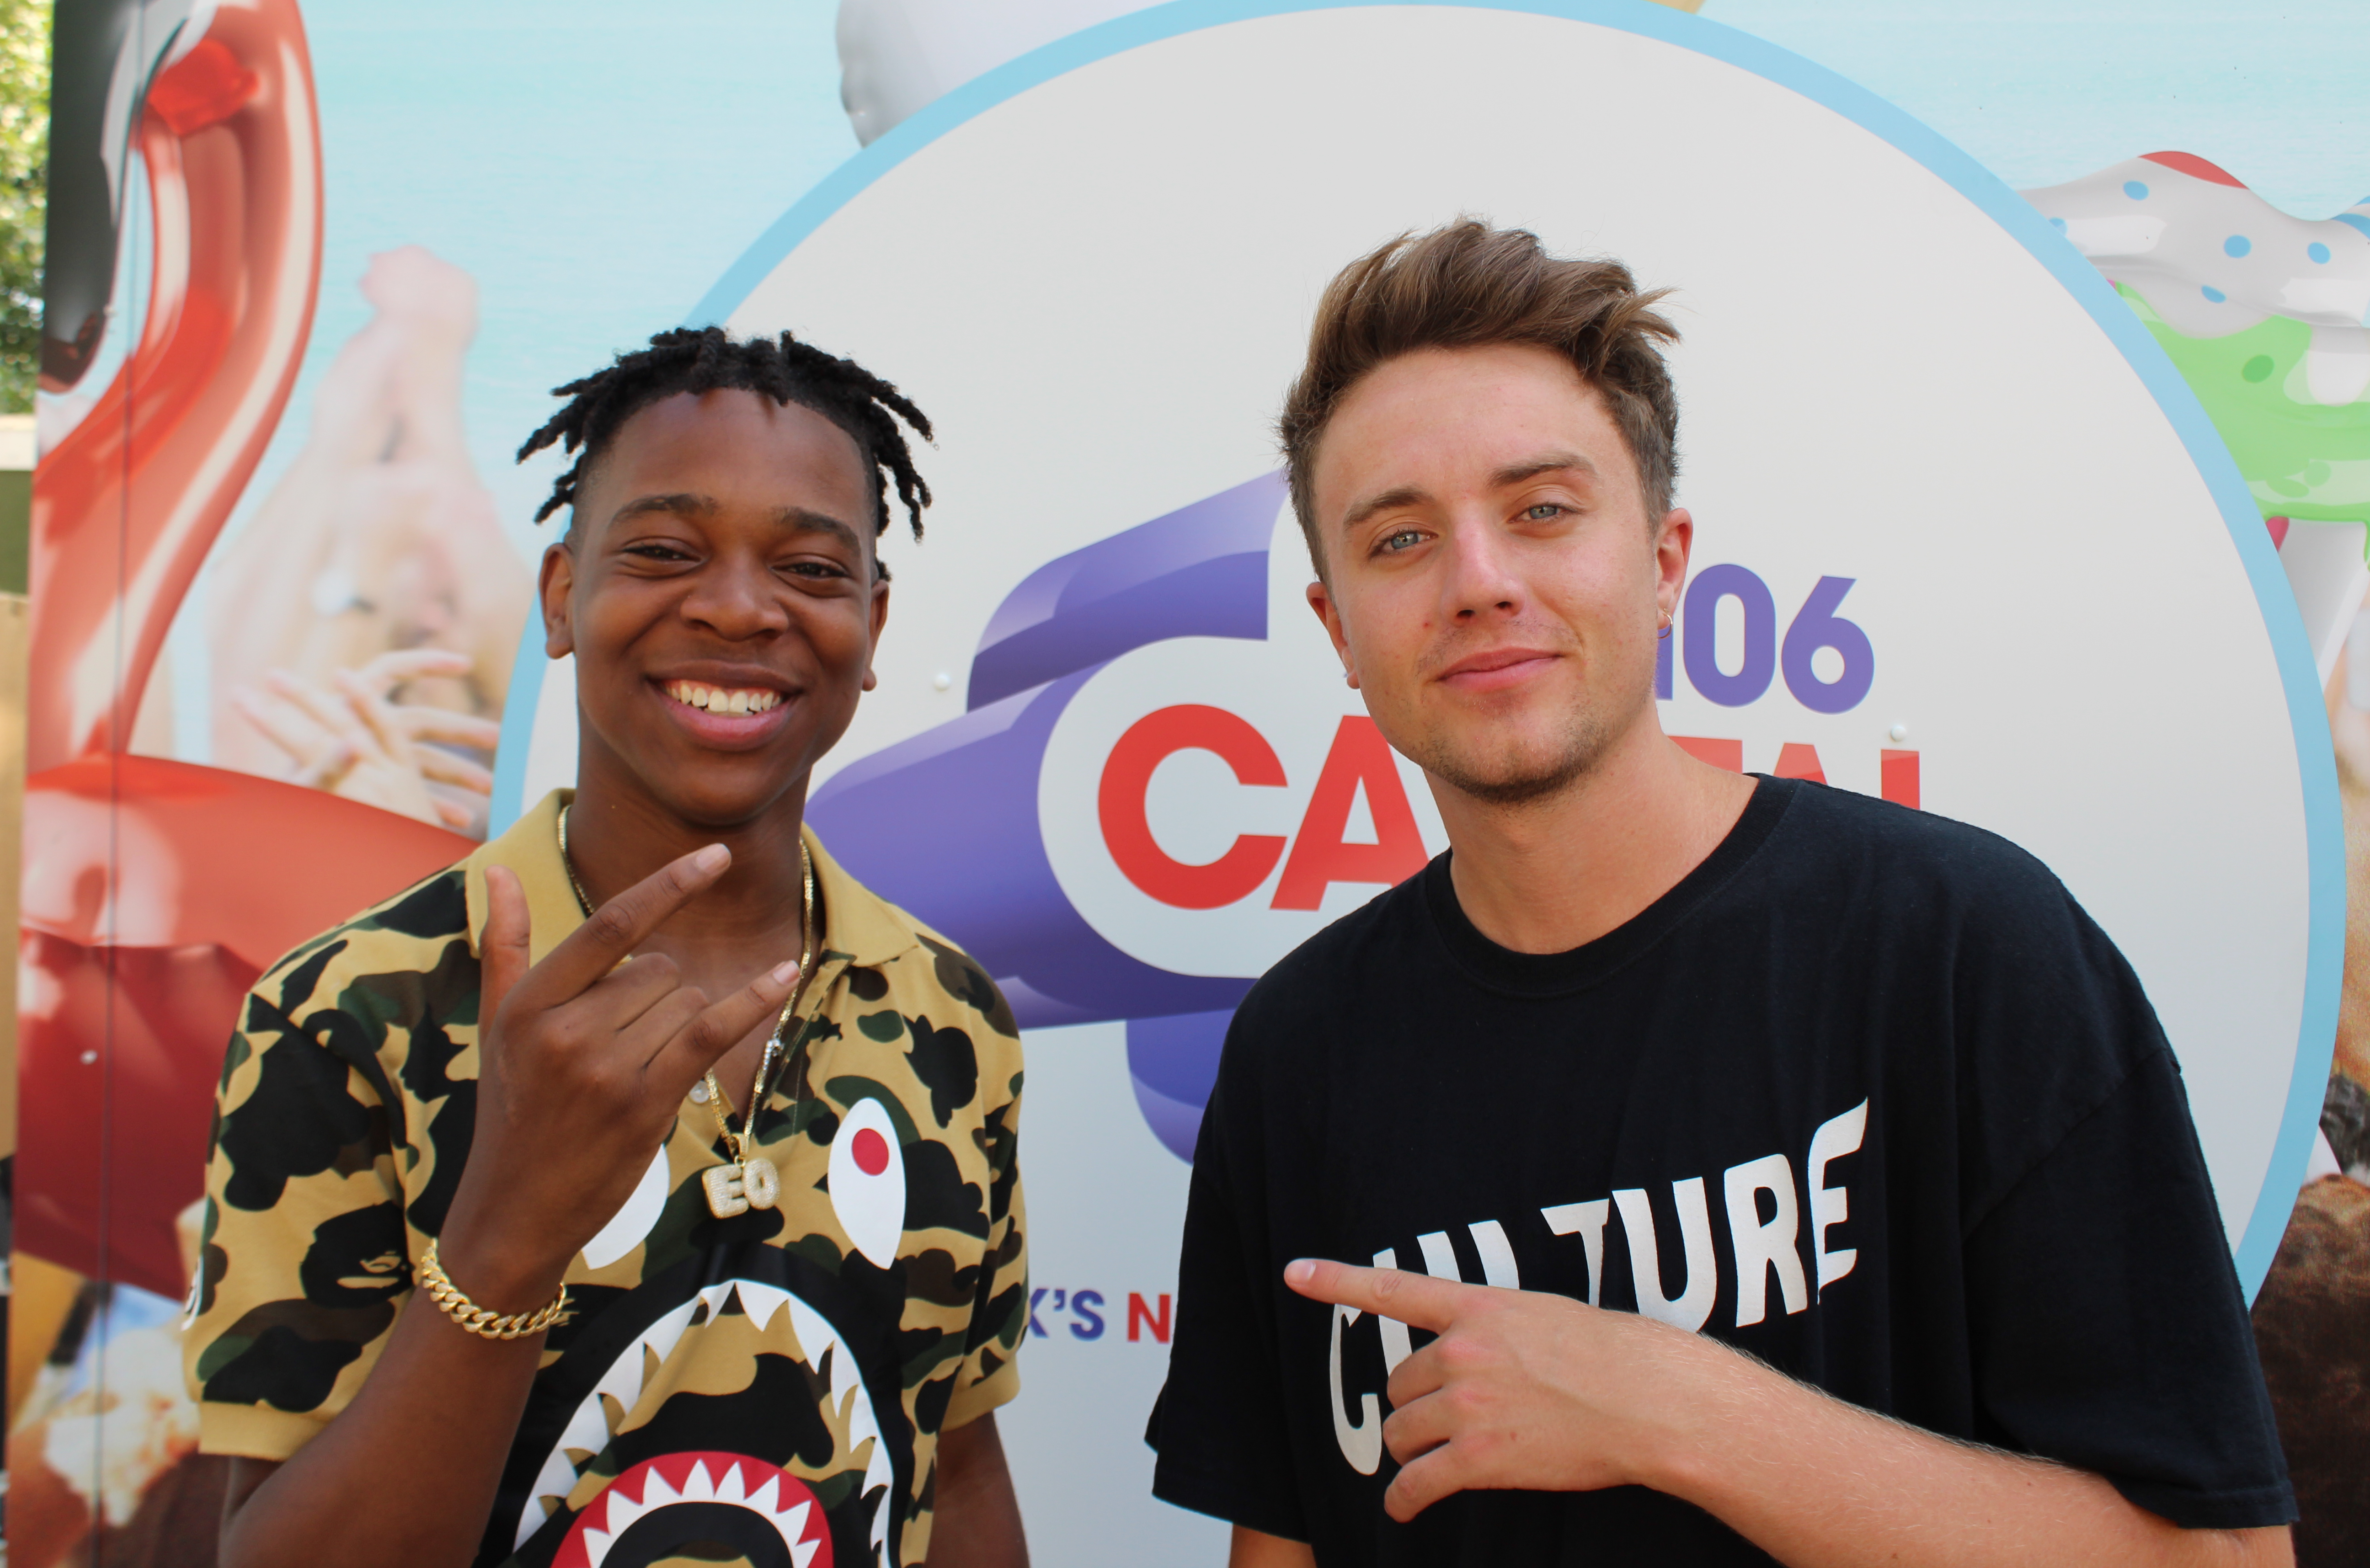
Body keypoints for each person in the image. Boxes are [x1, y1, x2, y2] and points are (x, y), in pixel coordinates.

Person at [1144, 221, 2297, 1568]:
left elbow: (2220, 1559)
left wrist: (1676, 1408)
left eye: (1543, 511)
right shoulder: (1301, 1051)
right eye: (1400, 540)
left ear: (1668, 559)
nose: (1480, 582)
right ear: (1340, 629)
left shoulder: (1963, 950)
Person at [182, 328, 1031, 1568]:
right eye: (663, 552)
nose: (739, 607)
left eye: (807, 566)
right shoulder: (350, 1012)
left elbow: (953, 1467)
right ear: (560, 595)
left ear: (871, 620)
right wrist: (510, 1229)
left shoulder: (951, 1016)